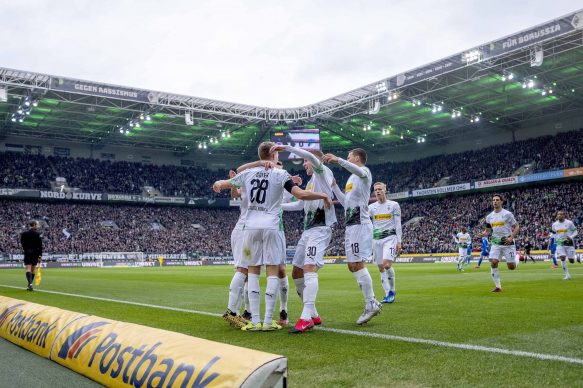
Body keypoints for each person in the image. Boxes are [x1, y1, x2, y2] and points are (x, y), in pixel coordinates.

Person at [212, 142, 332, 332]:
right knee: (273, 271)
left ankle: (254, 320)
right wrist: (323, 195)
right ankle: (268, 321)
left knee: (251, 271)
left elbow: (225, 183)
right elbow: (300, 194)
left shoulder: (248, 174)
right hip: (272, 226)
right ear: (275, 156)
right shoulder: (280, 174)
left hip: (250, 227)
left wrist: (218, 184)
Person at [272, 144, 337, 334]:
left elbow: (314, 158)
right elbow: (300, 205)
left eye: (306, 161)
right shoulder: (310, 183)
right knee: (297, 273)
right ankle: (314, 314)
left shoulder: (323, 171)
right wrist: (278, 206)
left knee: (309, 269)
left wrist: (288, 147)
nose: (305, 165)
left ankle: (305, 317)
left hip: (321, 229)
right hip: (308, 230)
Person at [324, 148, 382, 325]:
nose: (347, 159)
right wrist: (334, 186)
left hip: (360, 224)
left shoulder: (364, 172)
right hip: (350, 225)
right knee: (352, 266)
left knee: (358, 264)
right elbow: (346, 203)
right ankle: (371, 301)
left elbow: (355, 169)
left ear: (356, 158)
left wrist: (338, 160)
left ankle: (371, 303)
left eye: (349, 157)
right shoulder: (351, 179)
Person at [368, 182, 402, 304]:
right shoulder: (371, 207)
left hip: (390, 238)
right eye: (376, 189)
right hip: (376, 239)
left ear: (385, 190)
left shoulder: (394, 205)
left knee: (386, 264)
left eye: (380, 189)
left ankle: (392, 290)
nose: (377, 191)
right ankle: (388, 293)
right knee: (381, 268)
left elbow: (398, 224)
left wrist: (399, 241)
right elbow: (366, 223)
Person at [482, 194, 519, 292]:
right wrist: (483, 234)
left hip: (508, 242)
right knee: (493, 262)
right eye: (493, 200)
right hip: (496, 243)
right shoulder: (489, 217)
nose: (495, 202)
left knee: (511, 267)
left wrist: (511, 238)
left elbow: (517, 226)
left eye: (497, 200)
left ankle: (517, 257)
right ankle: (498, 287)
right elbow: (488, 231)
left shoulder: (507, 214)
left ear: (501, 201)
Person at [551, 210, 578, 280]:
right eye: (558, 214)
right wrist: (552, 238)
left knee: (571, 261)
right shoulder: (554, 225)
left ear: (564, 215)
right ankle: (567, 275)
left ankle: (575, 257)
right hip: (559, 243)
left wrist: (571, 237)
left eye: (561, 214)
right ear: (557, 216)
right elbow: (554, 233)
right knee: (562, 258)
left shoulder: (569, 223)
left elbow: (575, 231)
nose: (559, 215)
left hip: (569, 242)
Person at [20, 220, 43, 291]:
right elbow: (40, 246)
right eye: (37, 224)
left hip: (27, 252)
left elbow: (22, 243)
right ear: (34, 225)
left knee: (28, 269)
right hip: (35, 253)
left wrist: (26, 249)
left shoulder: (24, 234)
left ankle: (30, 284)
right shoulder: (38, 234)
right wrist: (40, 256)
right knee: (33, 270)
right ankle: (29, 284)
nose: (38, 226)